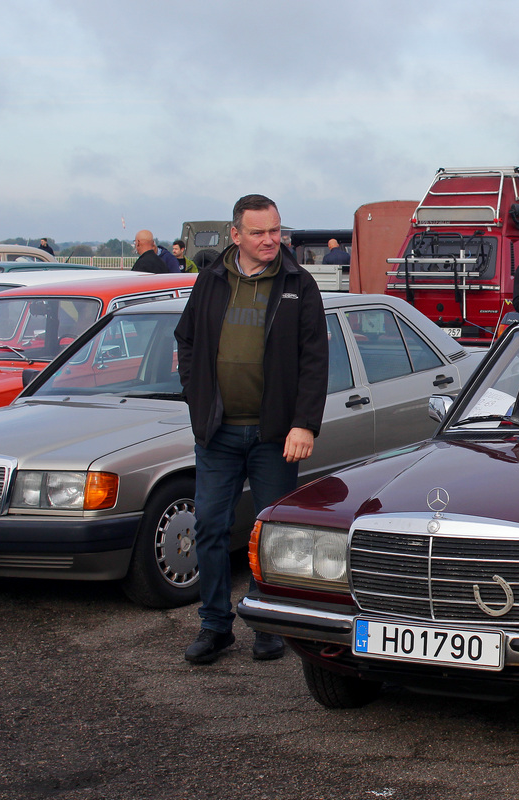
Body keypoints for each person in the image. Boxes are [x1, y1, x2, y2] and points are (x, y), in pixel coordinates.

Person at [175, 194, 328, 665]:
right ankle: (215, 625)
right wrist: (197, 396)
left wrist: (303, 424)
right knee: (210, 528)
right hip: (217, 433)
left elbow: (314, 361)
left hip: (274, 437)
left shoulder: (299, 284)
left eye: (275, 230)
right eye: (258, 232)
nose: (269, 240)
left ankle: (266, 622)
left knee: (271, 534)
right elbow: (187, 340)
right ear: (236, 234)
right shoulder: (211, 281)